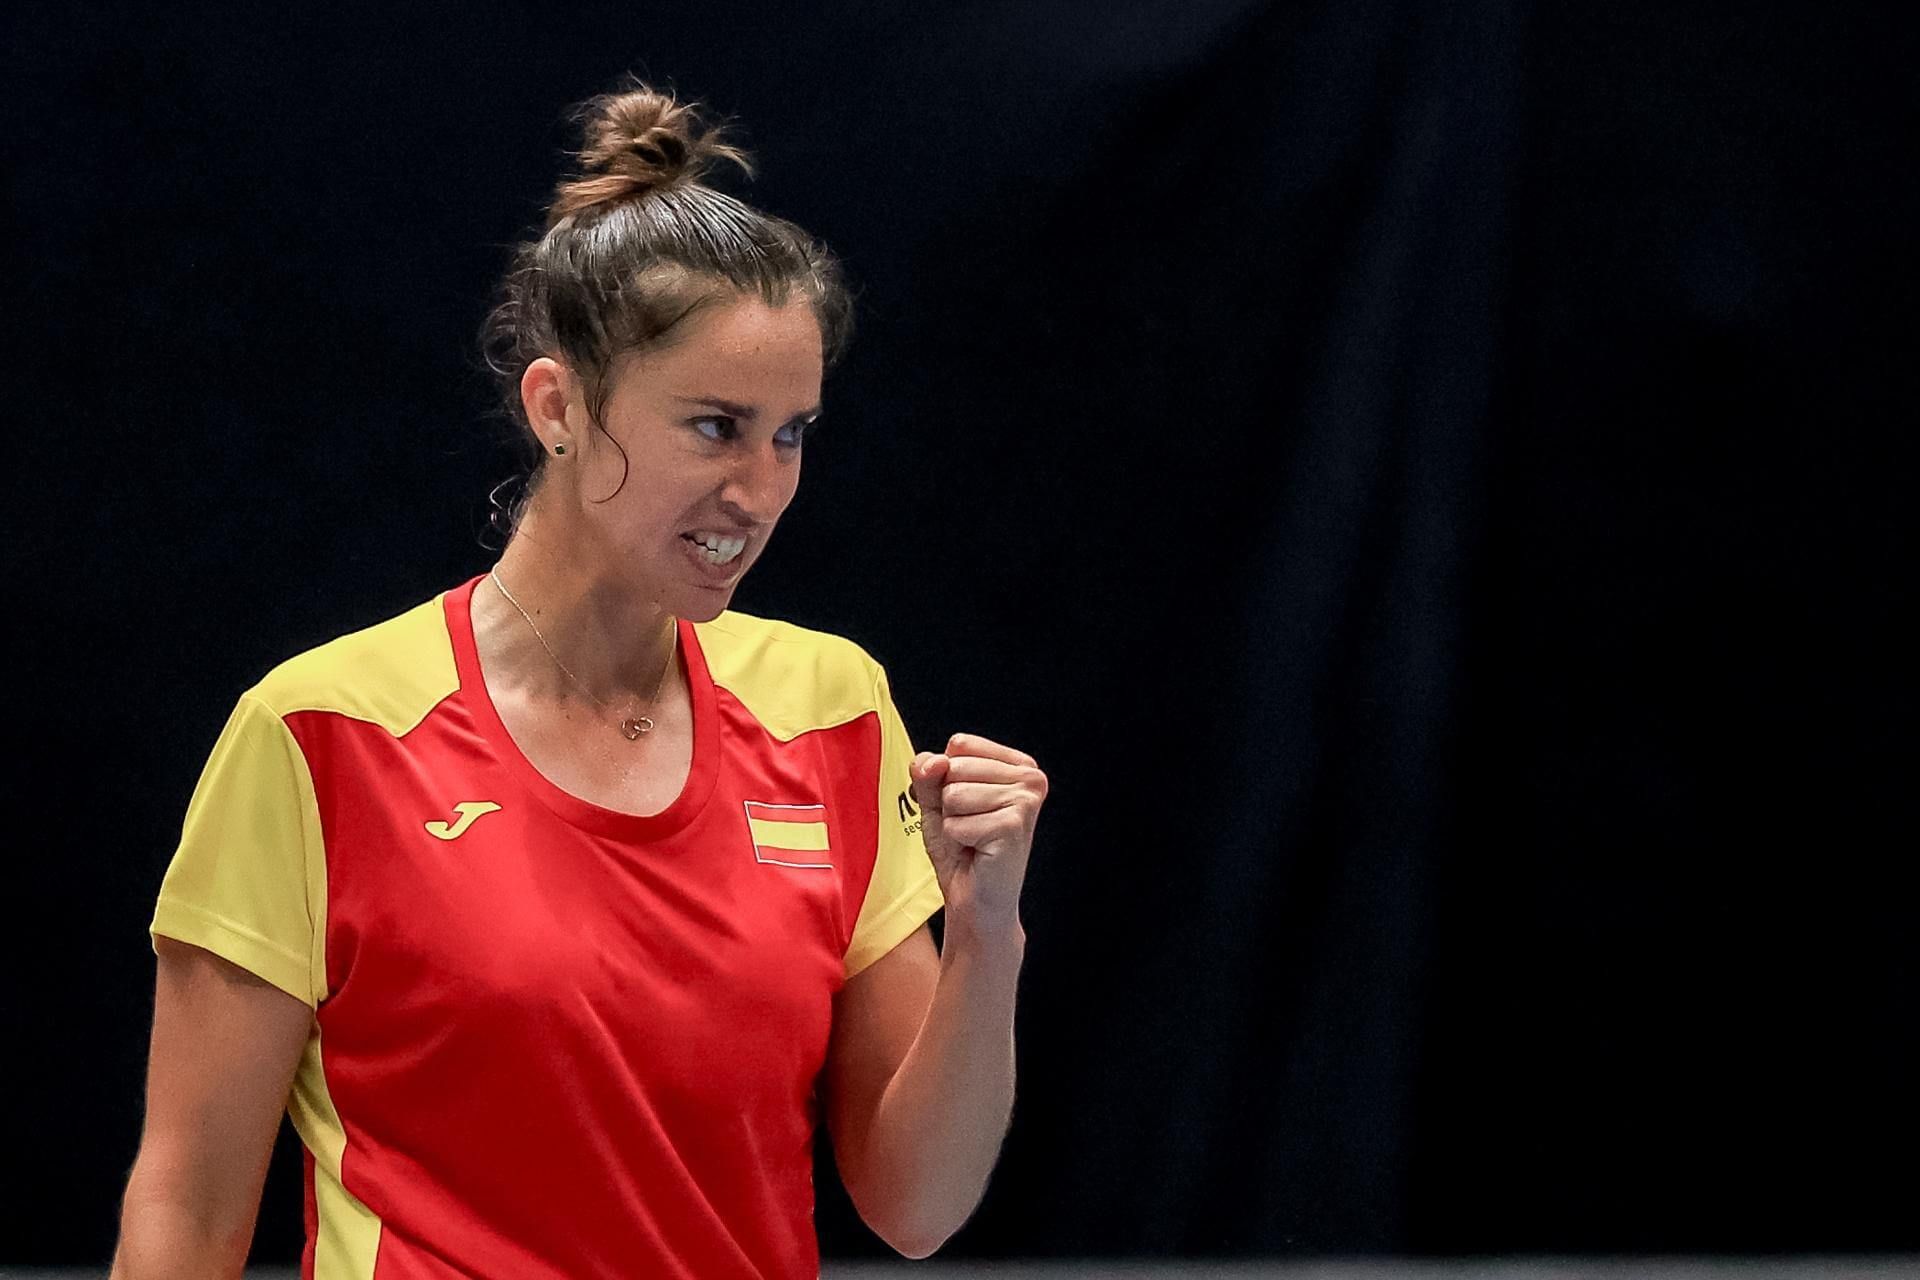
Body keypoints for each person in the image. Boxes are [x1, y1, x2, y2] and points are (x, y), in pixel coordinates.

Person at [111, 78, 1048, 1280]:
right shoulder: (318, 732)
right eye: (714, 425)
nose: (758, 489)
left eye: (792, 432)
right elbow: (187, 1212)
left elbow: (918, 1201)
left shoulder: (833, 705)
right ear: (557, 404)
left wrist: (985, 929)